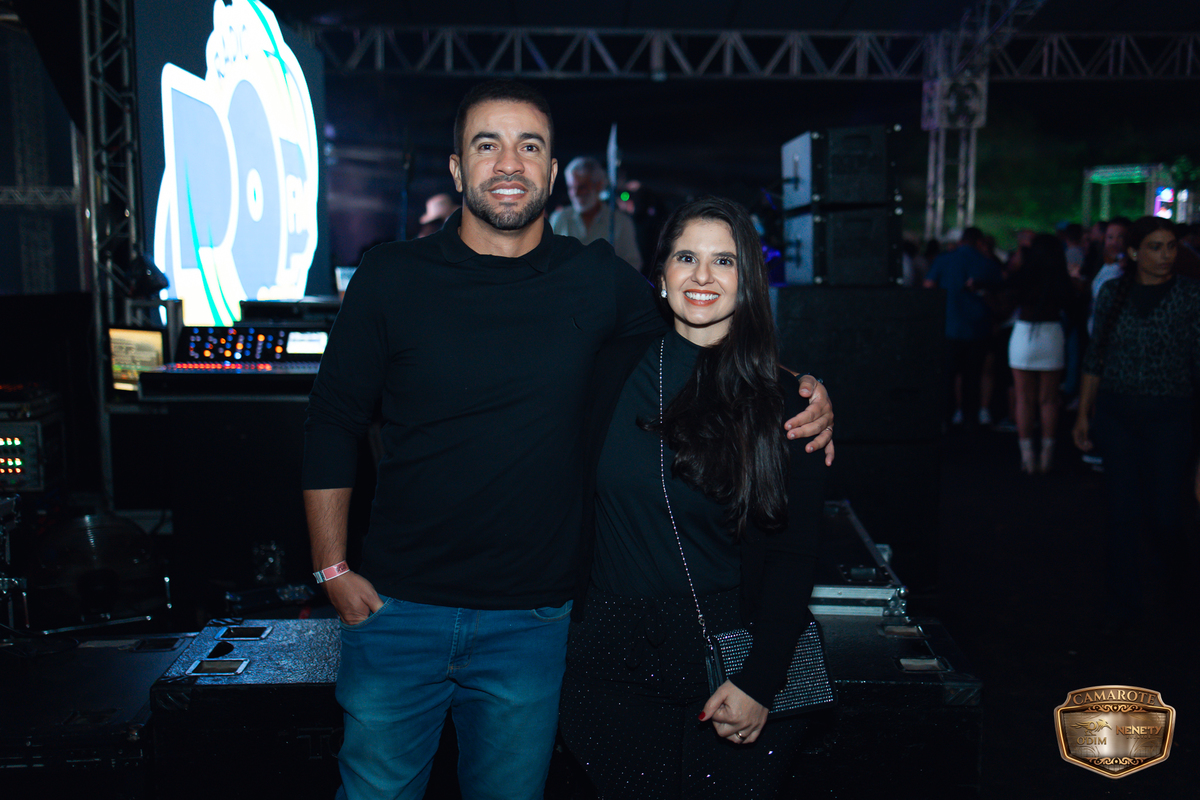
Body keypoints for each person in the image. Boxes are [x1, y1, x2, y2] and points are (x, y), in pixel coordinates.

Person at [301, 80, 835, 800]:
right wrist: (331, 568)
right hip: (398, 611)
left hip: (533, 624)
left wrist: (799, 389)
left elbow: (703, 327)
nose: (509, 162)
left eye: (529, 146)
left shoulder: (597, 280)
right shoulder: (391, 275)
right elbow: (332, 417)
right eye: (487, 144)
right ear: (457, 168)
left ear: (552, 173)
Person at [558, 198, 827, 796]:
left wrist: (760, 680)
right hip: (609, 656)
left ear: (748, 279)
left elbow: (793, 557)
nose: (702, 275)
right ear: (660, 274)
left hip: (732, 656)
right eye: (686, 257)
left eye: (723, 261)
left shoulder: (787, 404)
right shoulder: (606, 371)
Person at [1073, 216, 1200, 617]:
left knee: (1165, 513)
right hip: (1117, 415)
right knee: (1120, 513)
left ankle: (1174, 577)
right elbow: (1096, 355)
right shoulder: (1113, 292)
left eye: (1171, 247)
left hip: (1170, 417)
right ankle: (1121, 602)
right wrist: (1083, 413)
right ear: (1133, 252)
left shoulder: (1190, 295)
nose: (1166, 255)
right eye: (1156, 247)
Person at [1007, 233, 1076, 473]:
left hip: (1023, 333)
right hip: (1051, 334)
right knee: (1048, 399)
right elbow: (1073, 309)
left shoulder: (1024, 275)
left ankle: (1026, 455)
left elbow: (1007, 296)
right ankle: (1047, 454)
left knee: (1023, 398)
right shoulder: (1060, 277)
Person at [924, 227, 1004, 428]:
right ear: (979, 242)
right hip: (978, 329)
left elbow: (928, 285)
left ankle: (945, 418)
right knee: (973, 377)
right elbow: (1001, 292)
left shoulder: (944, 259)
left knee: (947, 376)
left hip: (949, 327)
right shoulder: (987, 263)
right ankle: (971, 419)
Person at [549, 155, 644, 271]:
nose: (575, 193)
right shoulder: (559, 218)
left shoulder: (621, 222)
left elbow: (633, 264)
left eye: (582, 187)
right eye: (571, 188)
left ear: (598, 185)